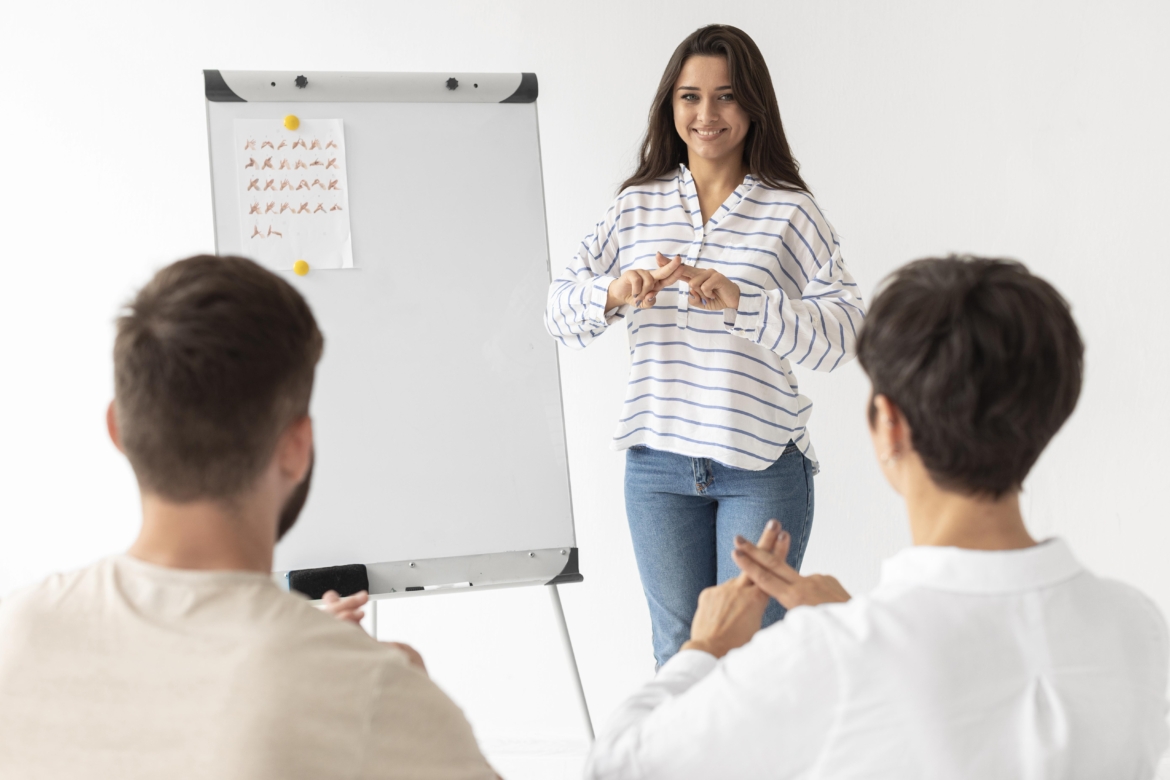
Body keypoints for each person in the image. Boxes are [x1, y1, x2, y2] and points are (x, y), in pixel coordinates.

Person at [584, 256, 1170, 779]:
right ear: (1053, 412)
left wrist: (704, 649)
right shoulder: (1138, 629)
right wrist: (855, 623)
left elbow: (614, 766)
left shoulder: (833, 658)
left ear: (888, 423)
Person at [0, 256, 497, 780]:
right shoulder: (366, 690)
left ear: (118, 429)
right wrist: (374, 679)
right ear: (296, 447)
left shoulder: (16, 633)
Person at [545, 24, 865, 668]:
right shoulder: (636, 206)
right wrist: (615, 291)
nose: (706, 114)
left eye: (725, 96)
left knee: (750, 660)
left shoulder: (790, 212)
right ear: (671, 105)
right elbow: (557, 307)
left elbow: (846, 333)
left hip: (760, 467)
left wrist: (744, 303)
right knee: (679, 655)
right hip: (657, 465)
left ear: (753, 106)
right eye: (690, 96)